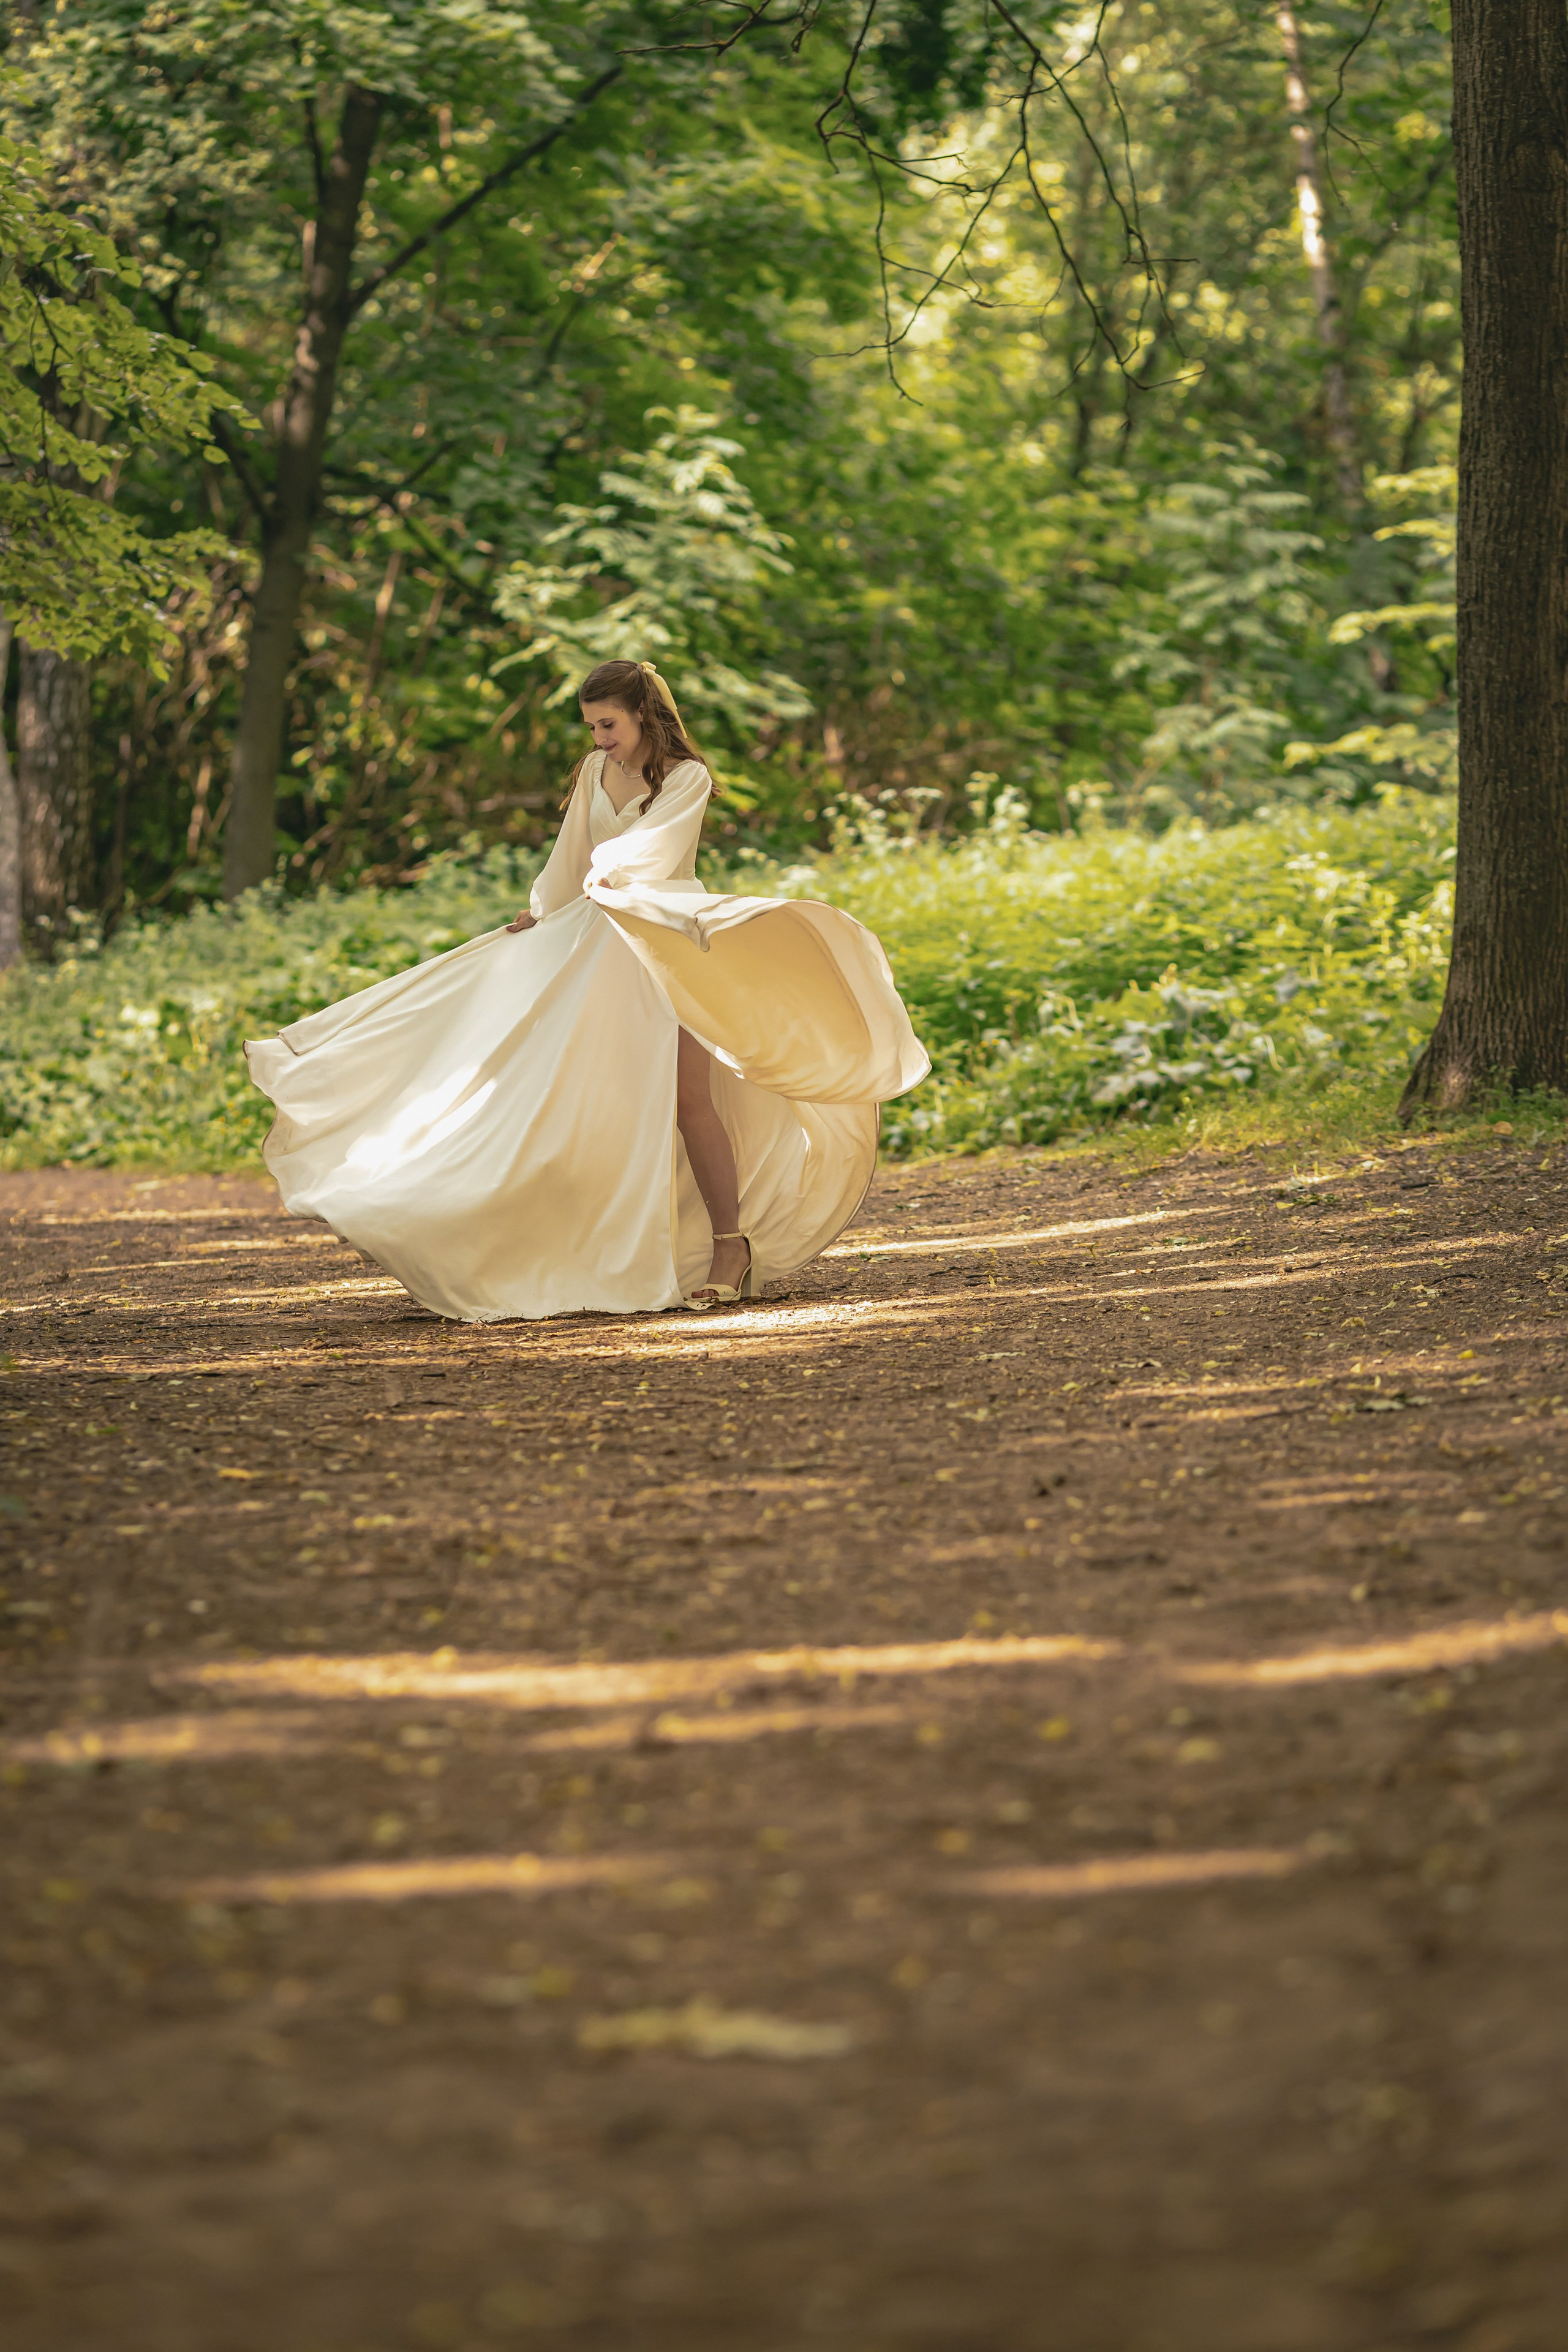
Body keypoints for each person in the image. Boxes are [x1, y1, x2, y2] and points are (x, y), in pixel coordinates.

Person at [244, 659, 929, 1322]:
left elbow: (652, 851)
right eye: (592, 728)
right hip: (595, 934)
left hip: (668, 937)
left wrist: (604, 877)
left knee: (693, 1101)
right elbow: (572, 855)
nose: (599, 740)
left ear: (641, 713)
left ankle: (730, 1246)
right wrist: (543, 910)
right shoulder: (596, 771)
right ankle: (582, 1244)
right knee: (586, 1095)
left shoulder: (687, 777)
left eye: (609, 725)